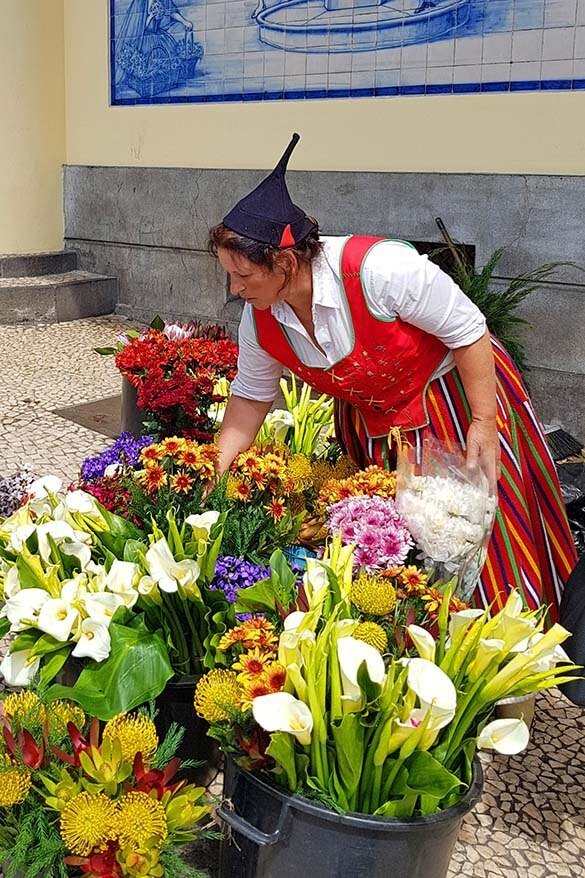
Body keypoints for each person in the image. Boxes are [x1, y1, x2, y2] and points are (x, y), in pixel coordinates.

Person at [208, 133, 577, 622]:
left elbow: (468, 330)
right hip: (379, 426)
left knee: (479, 530)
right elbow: (251, 397)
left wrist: (484, 421)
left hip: (456, 398)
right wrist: (216, 469)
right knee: (407, 544)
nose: (234, 289)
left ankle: (508, 653)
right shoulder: (261, 317)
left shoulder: (378, 269)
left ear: (285, 262)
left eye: (243, 276)